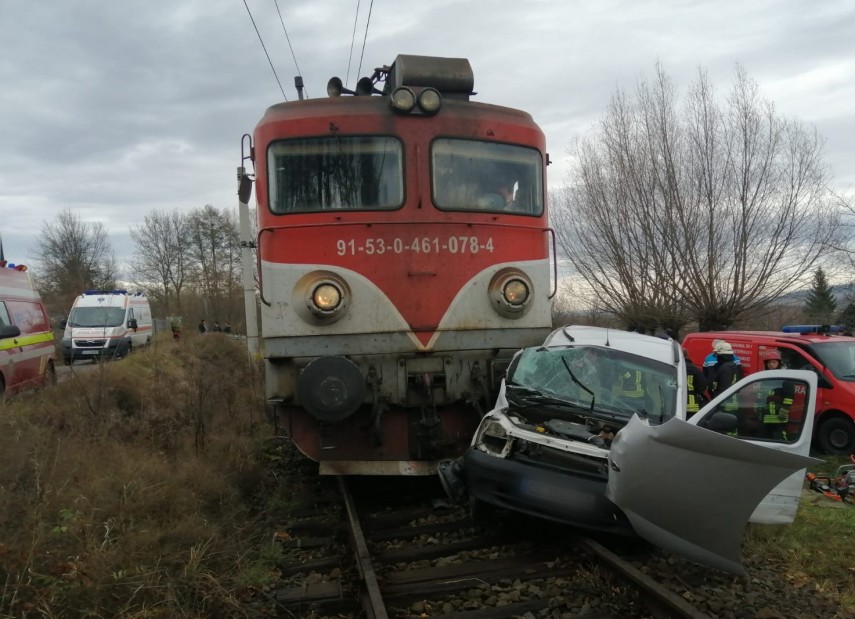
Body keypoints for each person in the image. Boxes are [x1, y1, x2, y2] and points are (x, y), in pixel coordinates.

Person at [757, 349, 793, 440]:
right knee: (764, 438)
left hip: (779, 416)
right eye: (769, 362)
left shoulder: (785, 377)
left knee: (780, 437)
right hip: (766, 416)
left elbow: (789, 396)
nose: (771, 365)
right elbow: (761, 395)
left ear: (779, 363)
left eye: (774, 362)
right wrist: (758, 407)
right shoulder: (765, 377)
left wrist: (785, 409)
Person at [684, 348, 708, 417]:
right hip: (692, 405)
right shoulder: (695, 369)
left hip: (677, 405)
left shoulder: (676, 368)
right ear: (687, 356)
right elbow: (704, 387)